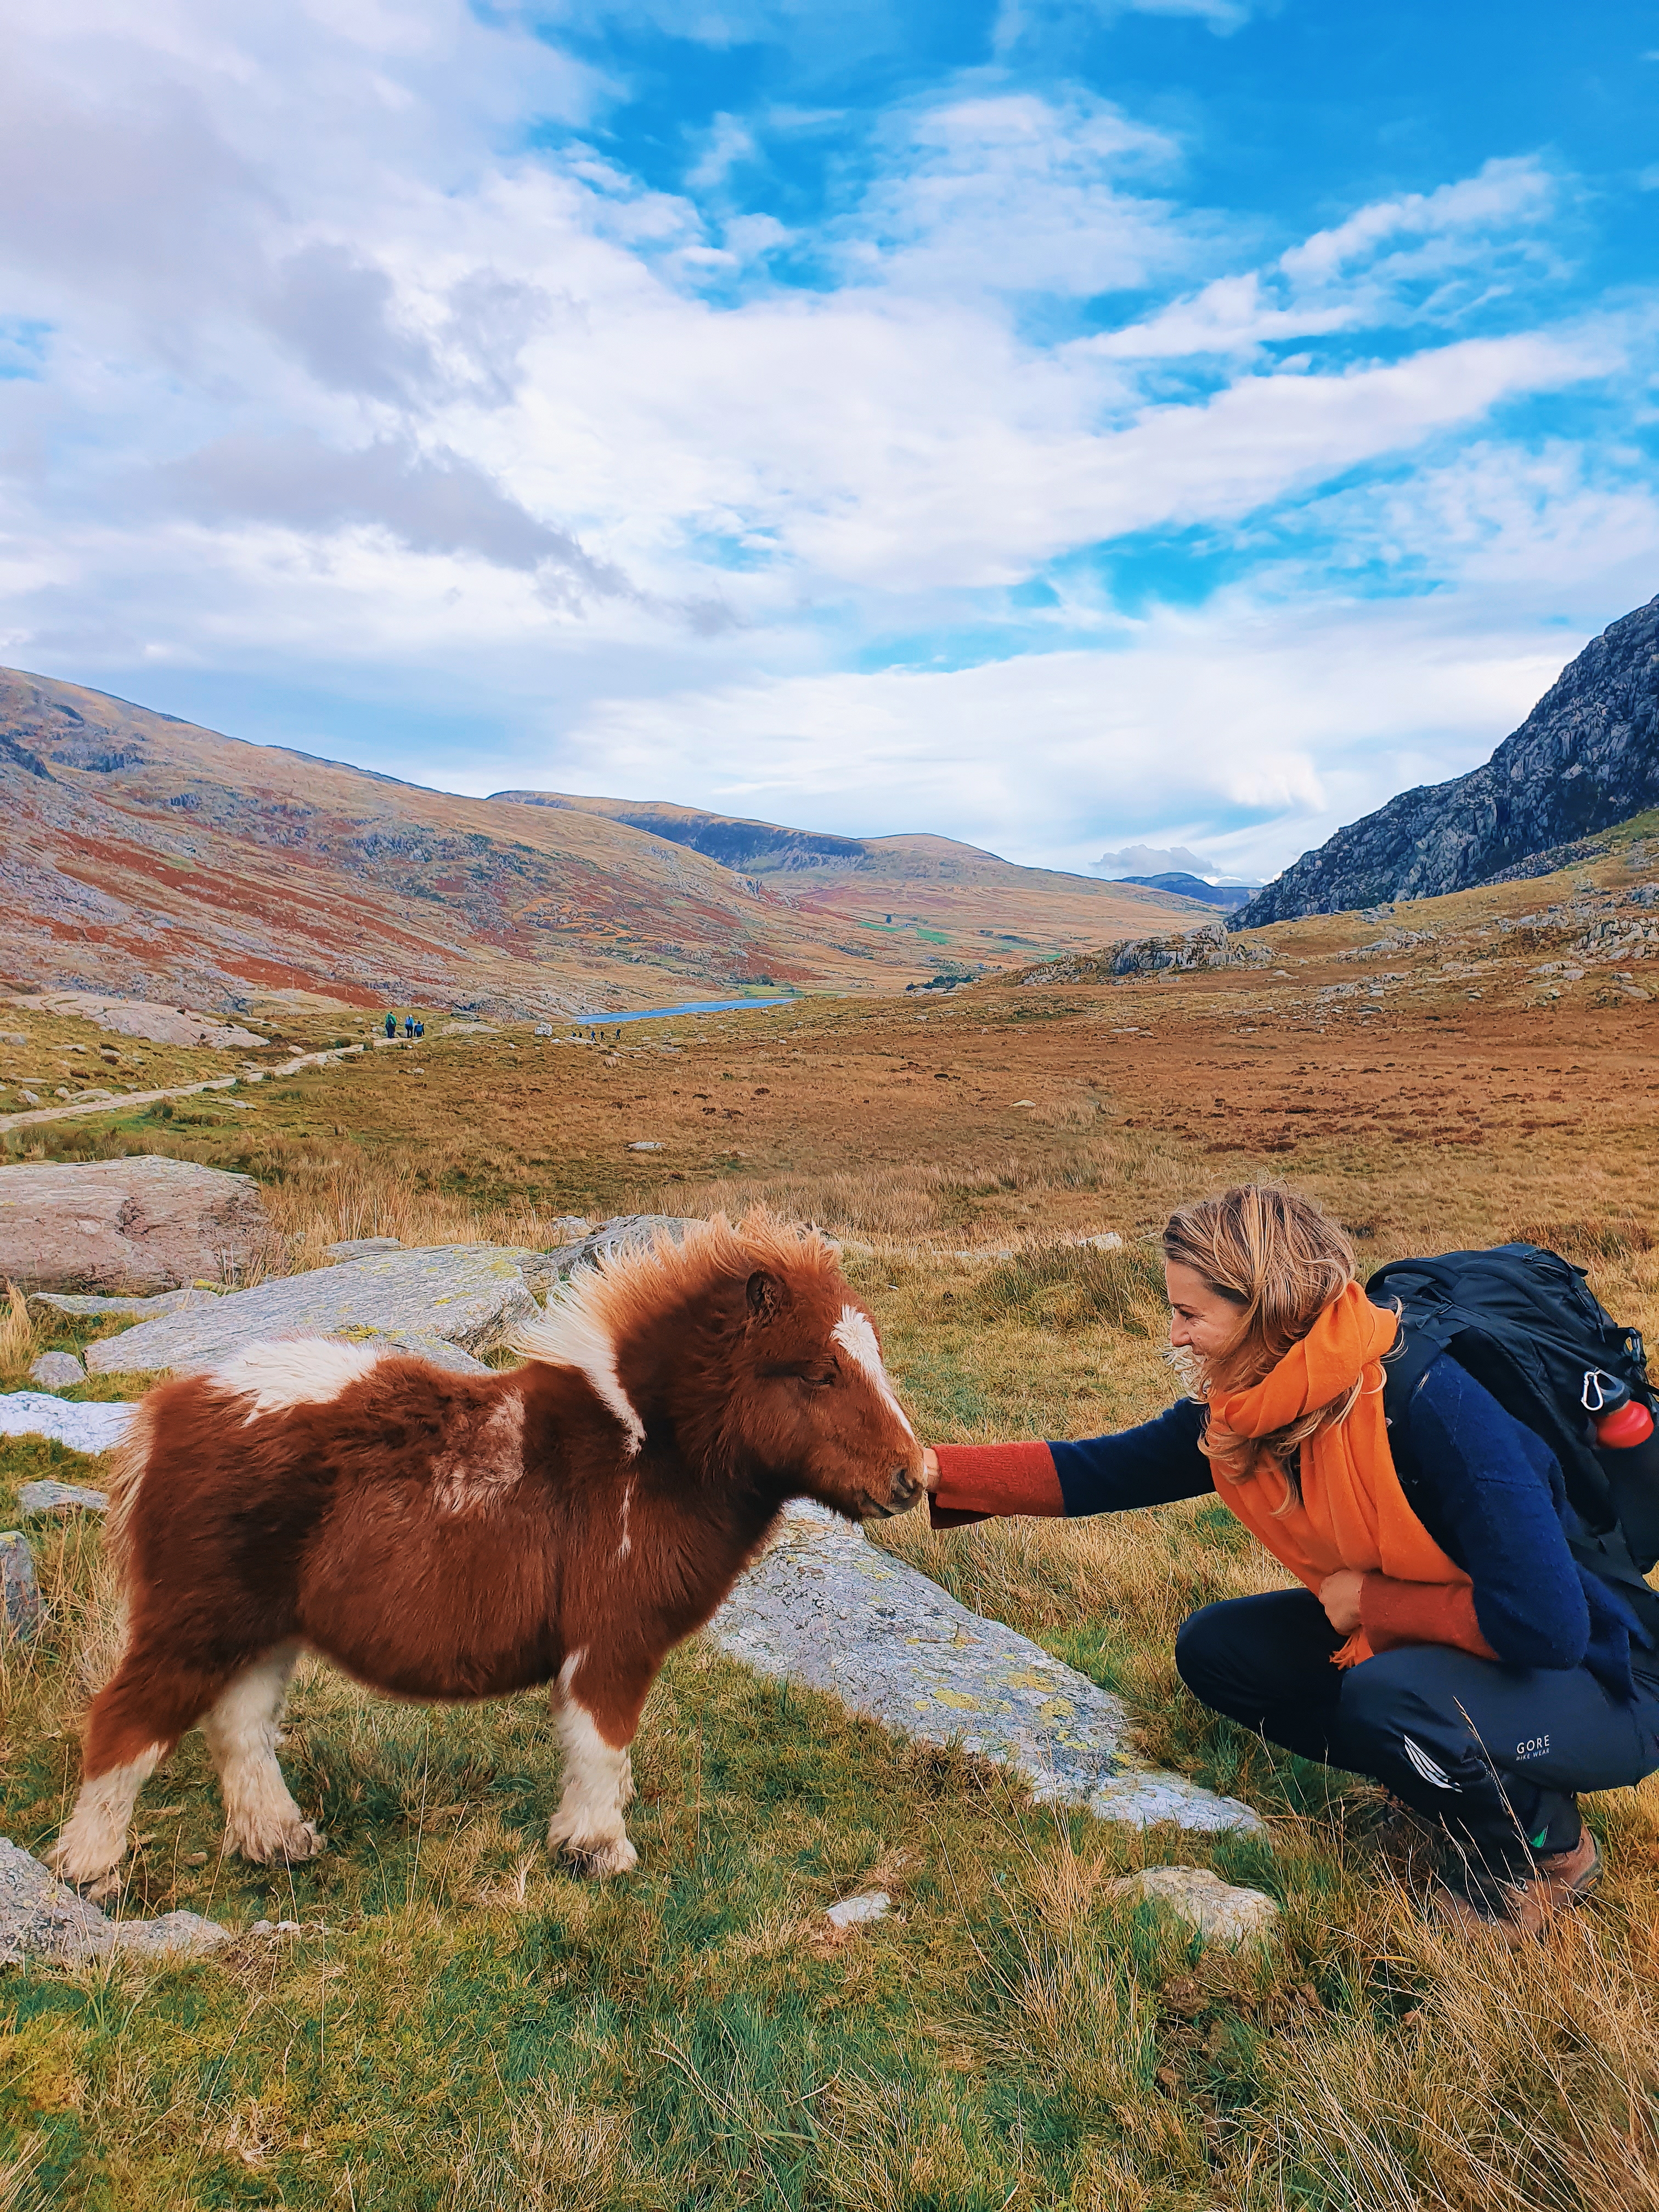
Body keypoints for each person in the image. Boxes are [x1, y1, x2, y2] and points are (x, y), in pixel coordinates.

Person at [922, 1184, 1659, 1937]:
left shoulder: (1434, 1405)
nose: (1175, 1337)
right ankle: (1444, 1785)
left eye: (1189, 1313)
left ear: (1264, 1310)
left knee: (1392, 1698)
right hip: (1468, 1647)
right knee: (1221, 1652)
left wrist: (1369, 1604)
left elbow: (1549, 1627)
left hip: (1605, 1677)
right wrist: (925, 1469)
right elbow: (1100, 1471)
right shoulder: (1253, 1409)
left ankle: (1544, 1853)